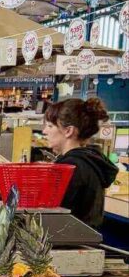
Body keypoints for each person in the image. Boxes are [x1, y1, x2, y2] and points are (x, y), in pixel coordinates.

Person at [42, 97, 118, 229]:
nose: (44, 131)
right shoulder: (90, 160)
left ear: (68, 131)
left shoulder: (69, 166)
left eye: (50, 126)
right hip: (85, 239)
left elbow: (52, 216)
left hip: (67, 242)